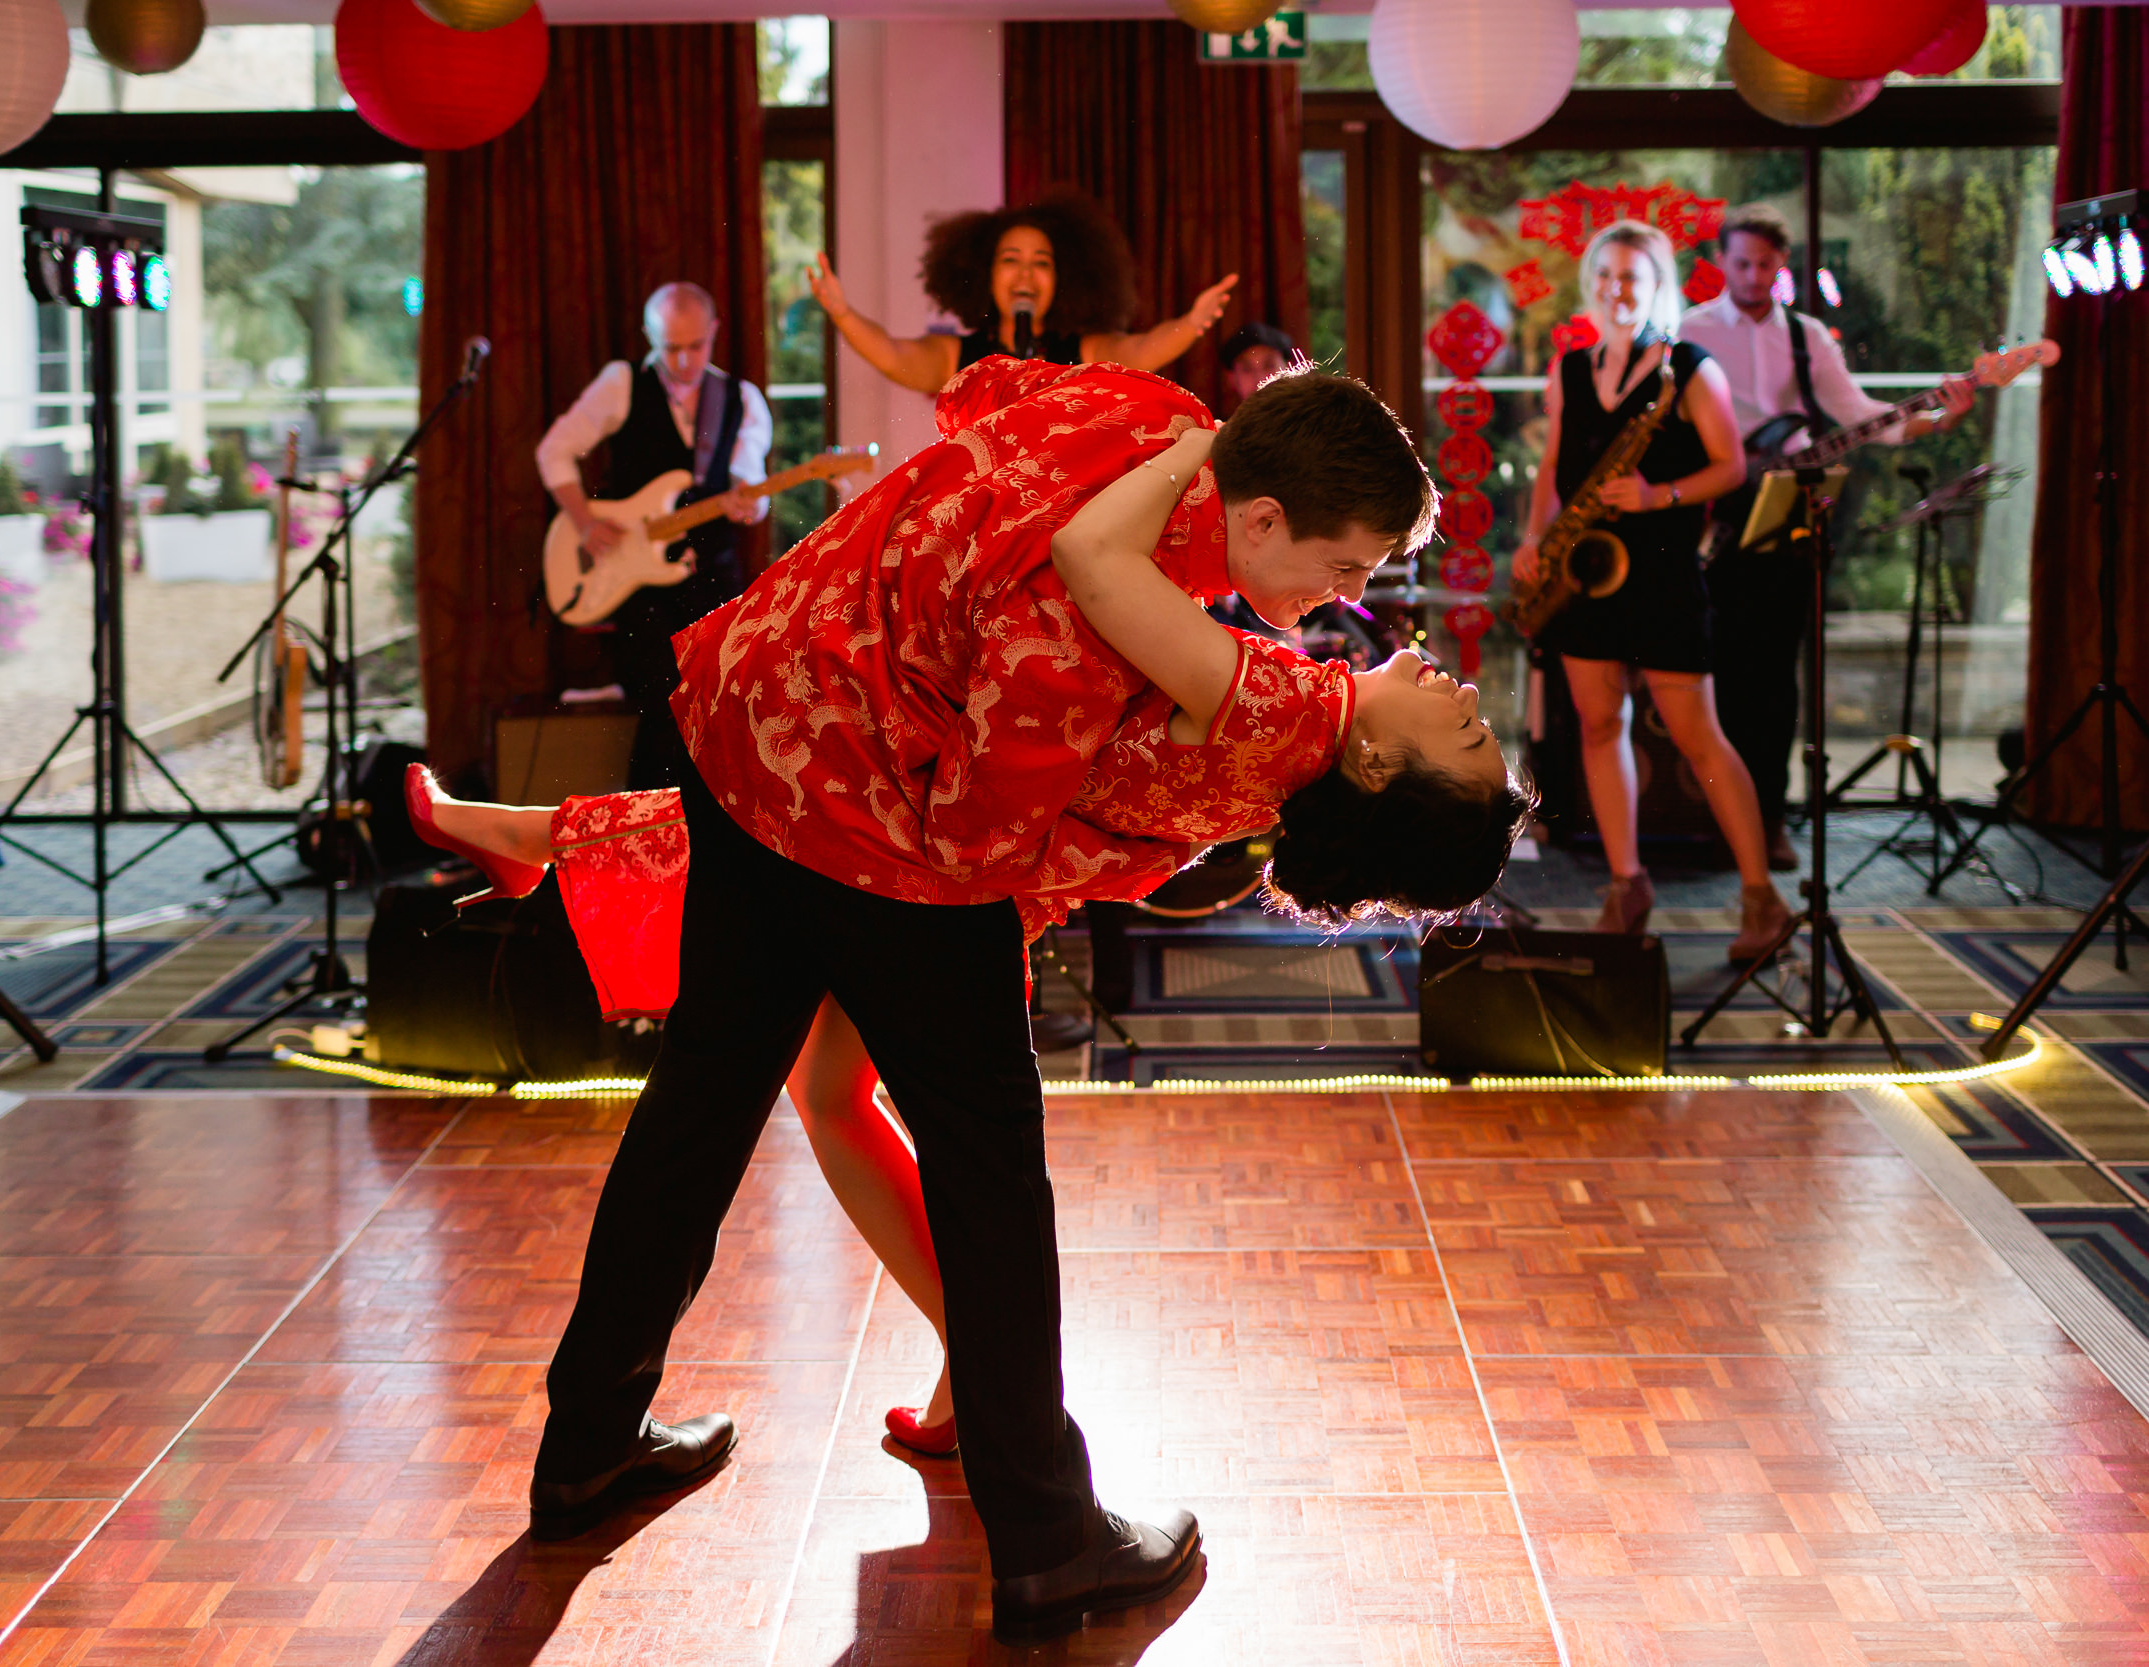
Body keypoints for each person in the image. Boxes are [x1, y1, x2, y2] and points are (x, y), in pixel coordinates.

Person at [503, 354, 1529, 1643]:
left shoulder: (1152, 418)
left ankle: (588, 1441)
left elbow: (980, 394)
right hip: (856, 801)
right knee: (989, 1170)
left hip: (748, 696)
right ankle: (1047, 1540)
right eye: (1340, 570)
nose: (1351, 601)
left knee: (702, 1099)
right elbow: (981, 832)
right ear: (1260, 520)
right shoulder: (1136, 643)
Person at [412, 634, 1517, 1466]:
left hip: (950, 871)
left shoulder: (1276, 706)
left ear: (1376, 763)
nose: (1469, 696)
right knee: (825, 1080)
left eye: (1466, 732)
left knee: (809, 1010)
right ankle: (966, 1377)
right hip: (972, 862)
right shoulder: (1289, 734)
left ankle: (533, 837)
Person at [1512, 219, 1791, 960]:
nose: (1616, 289)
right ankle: (1626, 882)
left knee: (1699, 736)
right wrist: (1534, 540)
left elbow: (1732, 465)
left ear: (1657, 287)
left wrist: (1658, 494)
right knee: (1600, 727)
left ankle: (1762, 897)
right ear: (1590, 285)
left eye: (1632, 276)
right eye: (1605, 275)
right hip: (1589, 571)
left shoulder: (1692, 368)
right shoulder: (1568, 370)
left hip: (1664, 572)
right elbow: (1551, 472)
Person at [1679, 203, 1975, 870]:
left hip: (1790, 518)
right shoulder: (1689, 332)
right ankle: (1721, 818)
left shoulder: (1808, 337)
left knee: (1778, 679)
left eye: (1765, 264)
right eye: (1742, 263)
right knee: (1717, 675)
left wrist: (1939, 419)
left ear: (1780, 264)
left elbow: (1864, 416)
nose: (1754, 276)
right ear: (1721, 262)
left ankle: (1772, 818)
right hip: (1713, 521)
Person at [535, 281, 772, 790]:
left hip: (713, 578)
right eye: (670, 347)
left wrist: (749, 502)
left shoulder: (740, 398)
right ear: (650, 335)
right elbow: (554, 450)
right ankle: (648, 836)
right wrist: (583, 520)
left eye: (695, 346)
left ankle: (694, 842)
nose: (684, 360)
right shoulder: (622, 384)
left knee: (714, 713)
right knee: (663, 714)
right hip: (640, 586)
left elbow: (750, 484)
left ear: (714, 332)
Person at [804, 189, 1239, 391]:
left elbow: (1144, 350)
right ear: (985, 273)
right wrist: (842, 313)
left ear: (1064, 278)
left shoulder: (1082, 351)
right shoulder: (956, 357)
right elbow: (892, 354)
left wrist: (1192, 322)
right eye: (1010, 260)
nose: (1025, 276)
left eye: (1041, 263)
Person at [1218, 321, 1297, 409]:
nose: (1260, 380)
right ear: (1231, 378)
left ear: (1290, 369)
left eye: (1269, 365)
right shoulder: (1224, 423)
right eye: (1247, 369)